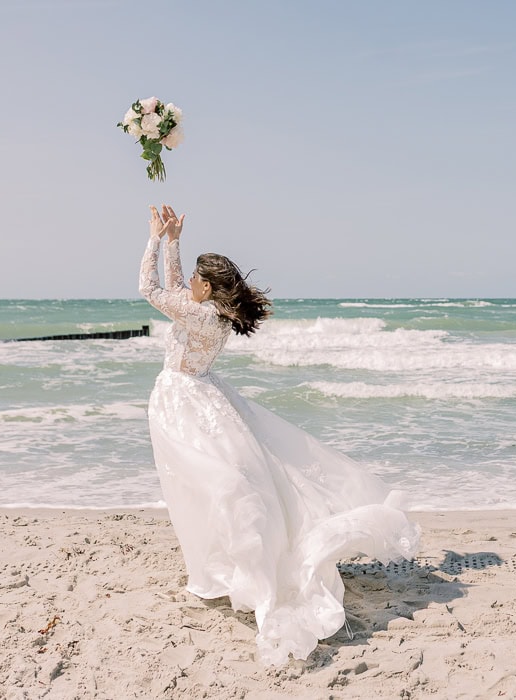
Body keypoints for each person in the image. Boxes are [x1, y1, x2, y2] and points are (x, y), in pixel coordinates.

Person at [139, 204, 419, 665]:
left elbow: (149, 288)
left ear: (206, 288)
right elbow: (174, 289)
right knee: (210, 485)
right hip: (201, 398)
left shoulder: (201, 316)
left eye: (195, 278)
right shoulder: (209, 311)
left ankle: (229, 571)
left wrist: (152, 238)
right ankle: (215, 567)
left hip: (185, 404)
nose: (188, 283)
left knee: (208, 486)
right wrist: (174, 241)